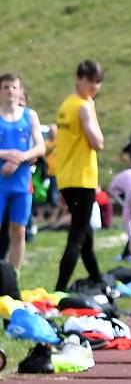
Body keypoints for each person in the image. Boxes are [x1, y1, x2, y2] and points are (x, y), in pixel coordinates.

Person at [53, 60, 105, 292]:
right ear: (78, 78)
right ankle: (59, 289)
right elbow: (98, 142)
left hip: (66, 177)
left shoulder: (66, 104)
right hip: (82, 179)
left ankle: (97, 278)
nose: (95, 86)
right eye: (91, 81)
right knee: (77, 236)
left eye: (98, 81)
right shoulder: (83, 106)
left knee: (86, 233)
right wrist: (92, 112)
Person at [0, 74, 45, 272]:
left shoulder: (29, 115)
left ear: (20, 91)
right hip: (1, 183)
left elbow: (40, 147)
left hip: (21, 184)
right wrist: (6, 154)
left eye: (14, 87)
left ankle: (13, 278)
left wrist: (21, 157)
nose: (10, 90)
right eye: (5, 87)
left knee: (18, 230)